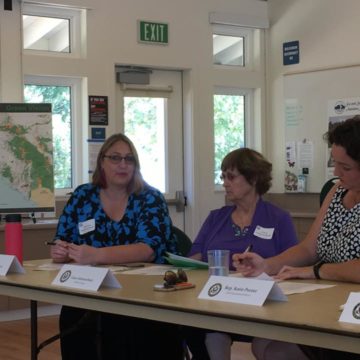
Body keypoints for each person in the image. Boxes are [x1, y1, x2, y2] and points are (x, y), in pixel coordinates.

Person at [233, 116, 360, 360]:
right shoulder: (337, 190)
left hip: (349, 312)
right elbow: (308, 249)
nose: (335, 172)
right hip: (324, 300)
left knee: (277, 352)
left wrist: (317, 271)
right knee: (261, 344)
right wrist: (266, 265)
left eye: (345, 168)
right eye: (335, 163)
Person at [50, 133, 183, 360]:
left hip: (147, 293)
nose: (123, 165)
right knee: (73, 315)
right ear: (101, 162)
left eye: (129, 159)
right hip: (94, 289)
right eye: (115, 158)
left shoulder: (149, 198)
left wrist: (95, 255)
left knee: (120, 324)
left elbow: (147, 249)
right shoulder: (83, 196)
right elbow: (62, 239)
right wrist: (60, 251)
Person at [184, 148, 299, 360]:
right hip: (217, 300)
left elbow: (292, 264)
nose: (224, 183)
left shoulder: (278, 218)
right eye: (222, 176)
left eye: (231, 177)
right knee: (196, 327)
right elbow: (195, 257)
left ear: (253, 178)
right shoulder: (216, 218)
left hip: (262, 305)